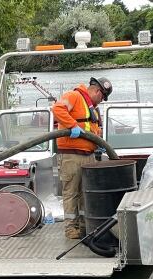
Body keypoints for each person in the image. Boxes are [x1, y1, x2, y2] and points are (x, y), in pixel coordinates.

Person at [51, 77, 113, 239]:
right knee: (72, 192)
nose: (102, 101)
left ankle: (86, 226)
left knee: (86, 193)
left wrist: (97, 141)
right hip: (72, 155)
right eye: (103, 97)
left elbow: (93, 129)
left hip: (89, 155)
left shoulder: (93, 108)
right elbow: (57, 109)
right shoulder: (74, 96)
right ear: (98, 91)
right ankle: (71, 229)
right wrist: (72, 126)